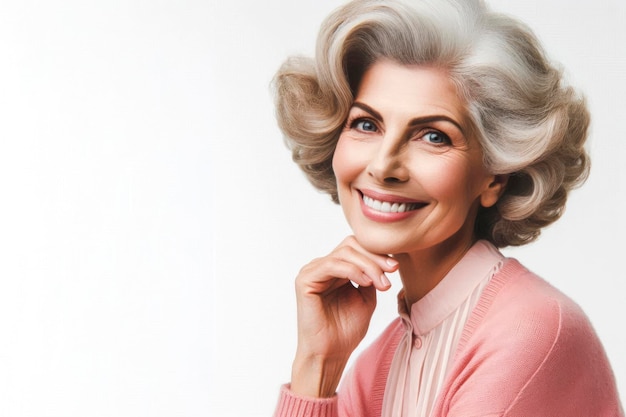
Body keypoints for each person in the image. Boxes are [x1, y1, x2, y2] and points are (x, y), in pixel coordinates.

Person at [271, 0, 624, 416]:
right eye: (366, 124)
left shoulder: (531, 329)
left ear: (495, 174)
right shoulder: (374, 368)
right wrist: (317, 365)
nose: (383, 166)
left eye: (433, 136)